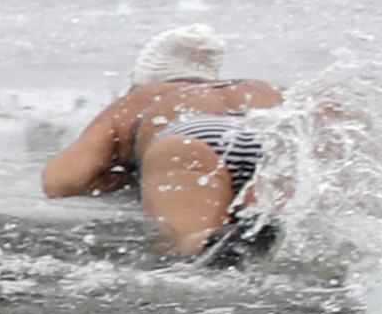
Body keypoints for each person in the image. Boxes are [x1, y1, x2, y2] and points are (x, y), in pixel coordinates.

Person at [43, 24, 283, 265]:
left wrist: (130, 176)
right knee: (275, 215)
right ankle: (261, 222)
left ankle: (210, 240)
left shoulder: (140, 98)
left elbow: (62, 181)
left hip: (191, 141)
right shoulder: (262, 89)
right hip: (269, 139)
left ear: (140, 81)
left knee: (186, 241)